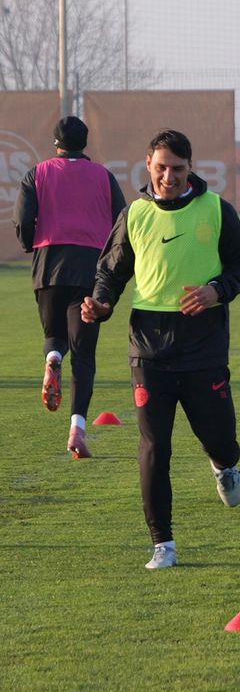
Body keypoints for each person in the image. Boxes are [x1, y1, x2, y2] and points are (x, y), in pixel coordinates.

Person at [82, 129, 240, 569]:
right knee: (154, 446)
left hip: (204, 344)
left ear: (190, 167)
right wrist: (101, 304)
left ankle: (224, 466)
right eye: (161, 168)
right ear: (148, 165)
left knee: (220, 439)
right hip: (149, 347)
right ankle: (163, 543)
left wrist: (217, 290)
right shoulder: (135, 214)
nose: (168, 177)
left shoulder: (217, 209)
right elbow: (111, 271)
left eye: (177, 169)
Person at [13, 116, 125, 458]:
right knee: (86, 354)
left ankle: (52, 357)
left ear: (55, 143)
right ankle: (77, 429)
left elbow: (22, 219)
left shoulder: (38, 173)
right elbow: (122, 220)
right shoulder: (104, 176)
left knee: (54, 335)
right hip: (90, 265)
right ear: (85, 143)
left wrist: (30, 243)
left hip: (48, 263)